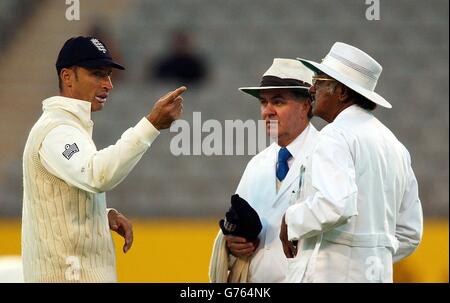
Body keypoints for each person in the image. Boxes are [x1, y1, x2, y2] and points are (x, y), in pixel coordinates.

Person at [21, 36, 186, 282]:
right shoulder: (57, 131)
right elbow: (96, 175)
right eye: (97, 74)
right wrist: (150, 126)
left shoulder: (68, 127)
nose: (108, 84)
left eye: (108, 75)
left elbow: (64, 194)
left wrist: (101, 214)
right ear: (67, 77)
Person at [279, 42, 423, 282]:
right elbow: (410, 233)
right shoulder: (396, 146)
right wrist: (369, 254)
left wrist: (290, 219)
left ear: (342, 93)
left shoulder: (335, 135)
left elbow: (335, 205)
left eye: (320, 81)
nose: (312, 88)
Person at [209, 58, 318, 282]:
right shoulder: (257, 164)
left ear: (306, 105)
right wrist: (232, 243)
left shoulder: (328, 156)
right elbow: (237, 222)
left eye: (278, 102)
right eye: (263, 102)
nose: (267, 111)